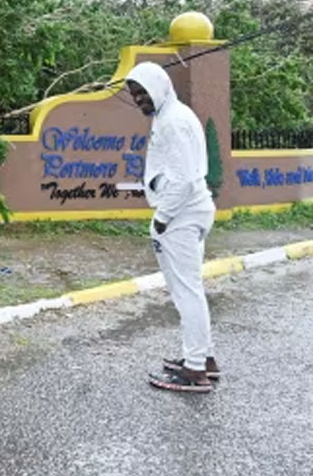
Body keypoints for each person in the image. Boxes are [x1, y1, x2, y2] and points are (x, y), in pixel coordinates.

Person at [124, 61, 219, 393]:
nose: (139, 99)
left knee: (186, 291)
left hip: (180, 216)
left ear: (160, 87)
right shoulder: (173, 116)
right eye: (135, 94)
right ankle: (202, 358)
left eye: (143, 92)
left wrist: (161, 220)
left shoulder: (174, 123)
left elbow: (182, 180)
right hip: (190, 211)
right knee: (190, 288)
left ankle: (195, 371)